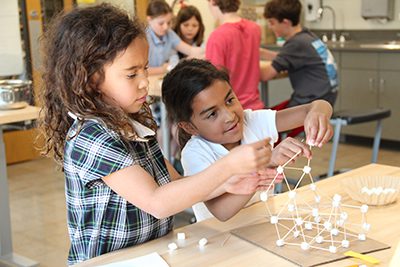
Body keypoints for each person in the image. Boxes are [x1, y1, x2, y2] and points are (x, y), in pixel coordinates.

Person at [38, 4, 273, 264]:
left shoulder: (134, 126)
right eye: (131, 74)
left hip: (150, 254)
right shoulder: (92, 136)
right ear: (91, 80)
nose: (144, 82)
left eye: (145, 69)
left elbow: (174, 185)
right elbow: (157, 202)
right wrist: (227, 167)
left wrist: (227, 184)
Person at [162, 59, 333, 222]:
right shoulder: (195, 152)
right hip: (221, 241)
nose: (230, 116)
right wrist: (267, 163)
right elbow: (221, 211)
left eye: (230, 100)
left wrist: (318, 113)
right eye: (212, 114)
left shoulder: (251, 121)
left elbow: (314, 107)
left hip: (265, 226)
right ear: (189, 127)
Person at [260, 0, 338, 108]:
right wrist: (260, 52)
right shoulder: (306, 35)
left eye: (272, 22)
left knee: (264, 121)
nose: (269, 26)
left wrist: (243, 59)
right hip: (324, 100)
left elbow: (265, 75)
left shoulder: (296, 44)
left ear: (286, 22)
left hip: (310, 106)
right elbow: (285, 56)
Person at [206, 0, 265, 110]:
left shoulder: (217, 37)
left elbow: (213, 82)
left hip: (232, 112)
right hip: (256, 108)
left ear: (213, 2)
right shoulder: (255, 29)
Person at [146, 0, 204, 75]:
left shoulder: (170, 34)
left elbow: (190, 50)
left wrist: (210, 49)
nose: (166, 27)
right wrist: (162, 69)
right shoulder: (144, 38)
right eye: (161, 23)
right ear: (149, 20)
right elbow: (139, 70)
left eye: (169, 23)